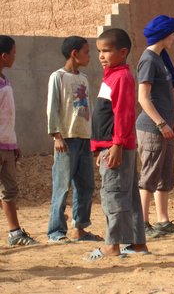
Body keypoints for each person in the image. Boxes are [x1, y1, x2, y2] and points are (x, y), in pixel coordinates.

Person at [86, 28, 148, 260]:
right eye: (99, 51)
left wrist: (117, 144)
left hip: (117, 147)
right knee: (129, 195)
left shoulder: (121, 77)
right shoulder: (111, 77)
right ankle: (137, 243)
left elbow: (123, 114)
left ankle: (112, 246)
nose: (101, 56)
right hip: (112, 146)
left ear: (123, 52)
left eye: (107, 51)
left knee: (113, 195)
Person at [46, 36, 102, 243]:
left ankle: (79, 228)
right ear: (74, 53)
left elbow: (89, 109)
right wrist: (56, 136)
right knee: (62, 185)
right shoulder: (57, 77)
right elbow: (53, 108)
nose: (90, 56)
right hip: (66, 140)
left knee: (86, 185)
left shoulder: (84, 79)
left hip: (84, 138)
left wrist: (93, 138)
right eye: (86, 52)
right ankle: (56, 231)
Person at [136, 15, 174, 237]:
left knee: (165, 175)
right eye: (172, 33)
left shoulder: (160, 59)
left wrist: (170, 123)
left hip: (163, 127)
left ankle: (162, 221)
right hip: (151, 128)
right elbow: (143, 98)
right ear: (164, 35)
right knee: (149, 175)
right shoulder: (148, 60)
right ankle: (142, 224)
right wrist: (160, 123)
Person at [0, 35, 37, 246]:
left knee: (9, 190)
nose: (15, 56)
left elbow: (7, 116)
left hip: (7, 145)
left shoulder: (5, 80)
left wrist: (13, 144)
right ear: (4, 56)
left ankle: (14, 232)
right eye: (13, 53)